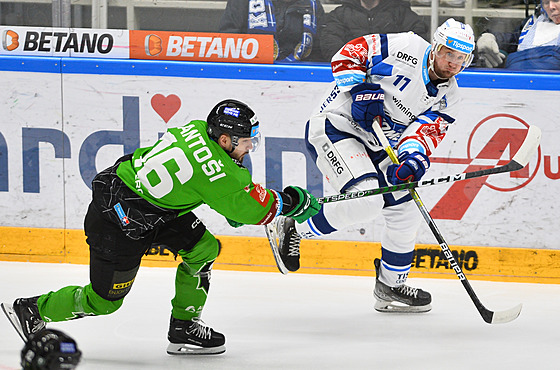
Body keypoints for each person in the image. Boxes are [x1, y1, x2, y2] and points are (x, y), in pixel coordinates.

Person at [1, 99, 320, 355]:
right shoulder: (223, 175)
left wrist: (238, 206)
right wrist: (296, 200)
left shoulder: (196, 129)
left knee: (204, 248)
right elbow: (256, 209)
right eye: (248, 142)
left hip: (154, 207)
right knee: (104, 302)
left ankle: (183, 327)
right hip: (117, 221)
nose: (251, 147)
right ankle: (31, 309)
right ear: (225, 139)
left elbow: (209, 189)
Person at [272, 19, 475, 313]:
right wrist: (359, 88)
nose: (453, 63)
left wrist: (410, 161)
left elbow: (423, 134)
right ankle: (293, 226)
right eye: (448, 53)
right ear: (435, 47)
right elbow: (350, 52)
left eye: (461, 59)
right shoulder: (406, 46)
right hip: (337, 126)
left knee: (406, 209)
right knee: (366, 202)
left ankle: (390, 285)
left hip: (379, 144)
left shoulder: (449, 98)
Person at [320, 0, 429, 61]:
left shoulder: (401, 13)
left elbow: (418, 41)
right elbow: (329, 44)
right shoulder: (340, 15)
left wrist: (391, 63)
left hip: (393, 79)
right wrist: (357, 63)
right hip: (350, 77)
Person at [218, 0, 325, 62]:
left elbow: (319, 50)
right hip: (249, 73)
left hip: (300, 78)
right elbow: (227, 43)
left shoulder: (314, 6)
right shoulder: (242, 2)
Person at [477, 0, 560, 69]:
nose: (551, 7)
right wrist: (489, 37)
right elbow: (511, 40)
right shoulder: (535, 22)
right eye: (546, 2)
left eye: (556, 0)